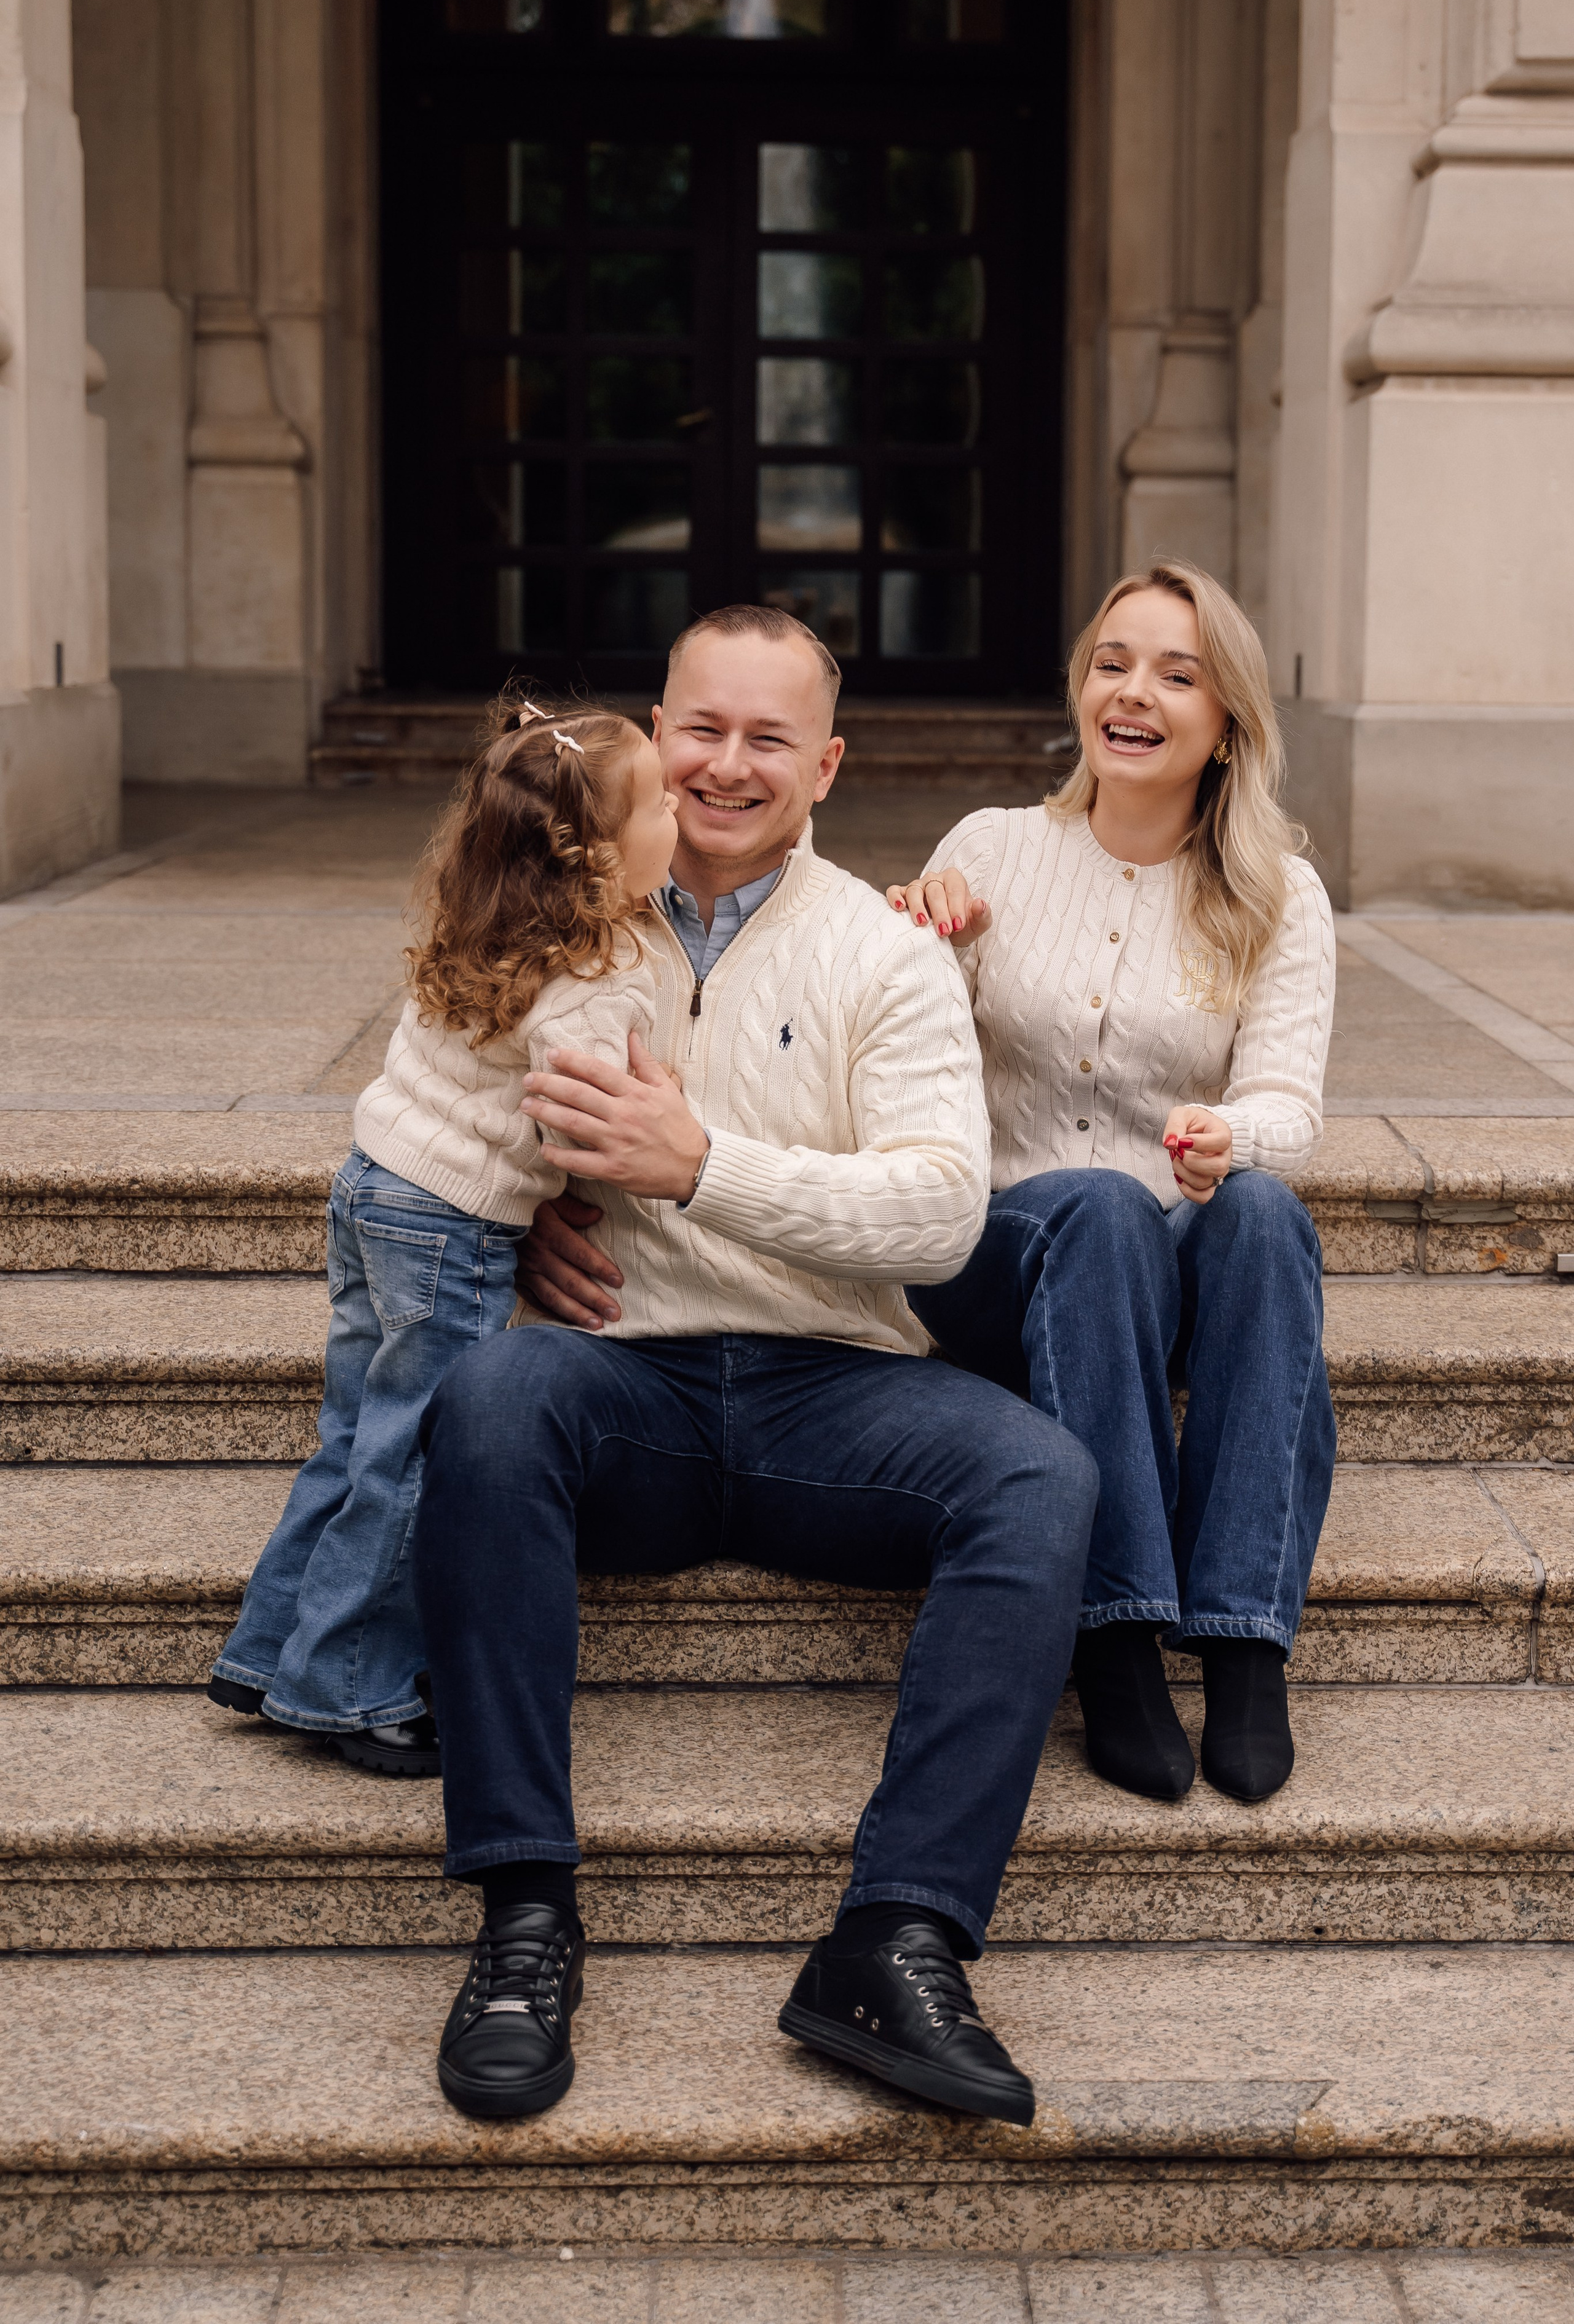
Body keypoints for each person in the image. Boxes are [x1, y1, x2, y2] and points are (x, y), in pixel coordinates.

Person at [411, 605, 1099, 2127]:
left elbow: (936, 1214)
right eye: (699, 730)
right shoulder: (554, 912)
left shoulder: (881, 954)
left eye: (766, 739)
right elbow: (429, 1122)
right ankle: (525, 1916)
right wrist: (509, 1225)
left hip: (831, 1395)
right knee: (486, 1402)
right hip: (622, 1389)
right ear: (655, 736)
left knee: (1040, 1474)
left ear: (825, 765)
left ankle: (895, 1937)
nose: (725, 767)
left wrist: (697, 1163)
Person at [890, 561, 1335, 1808]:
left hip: (1167, 1258)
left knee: (1259, 1212)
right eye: (1112, 662)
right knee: (1088, 1201)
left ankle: (1243, 1646)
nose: (1131, 693)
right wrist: (932, 954)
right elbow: (894, 1064)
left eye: (1174, 674)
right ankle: (1118, 1634)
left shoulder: (1274, 893)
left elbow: (1287, 1104)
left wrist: (1225, 1136)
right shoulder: (989, 850)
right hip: (998, 1255)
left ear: (1225, 720)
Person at [207, 699, 679, 1772]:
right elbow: (584, 1109)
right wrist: (668, 1103)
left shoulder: (491, 919)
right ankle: (351, 1690)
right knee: (415, 1461)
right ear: (598, 862)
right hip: (453, 1229)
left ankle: (274, 1649)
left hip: (373, 1190)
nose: (680, 810)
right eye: (658, 802)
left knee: (352, 1439)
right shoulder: (597, 975)